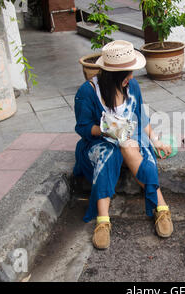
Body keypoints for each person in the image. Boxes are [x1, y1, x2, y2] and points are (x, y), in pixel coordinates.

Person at [73, 40, 173, 250]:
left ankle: (160, 206)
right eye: (127, 73)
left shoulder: (132, 86)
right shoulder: (88, 92)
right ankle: (103, 220)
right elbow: (82, 128)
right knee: (109, 153)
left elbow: (140, 118)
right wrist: (106, 129)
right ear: (112, 75)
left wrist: (156, 141)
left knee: (133, 146)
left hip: (129, 137)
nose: (131, 77)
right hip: (99, 141)